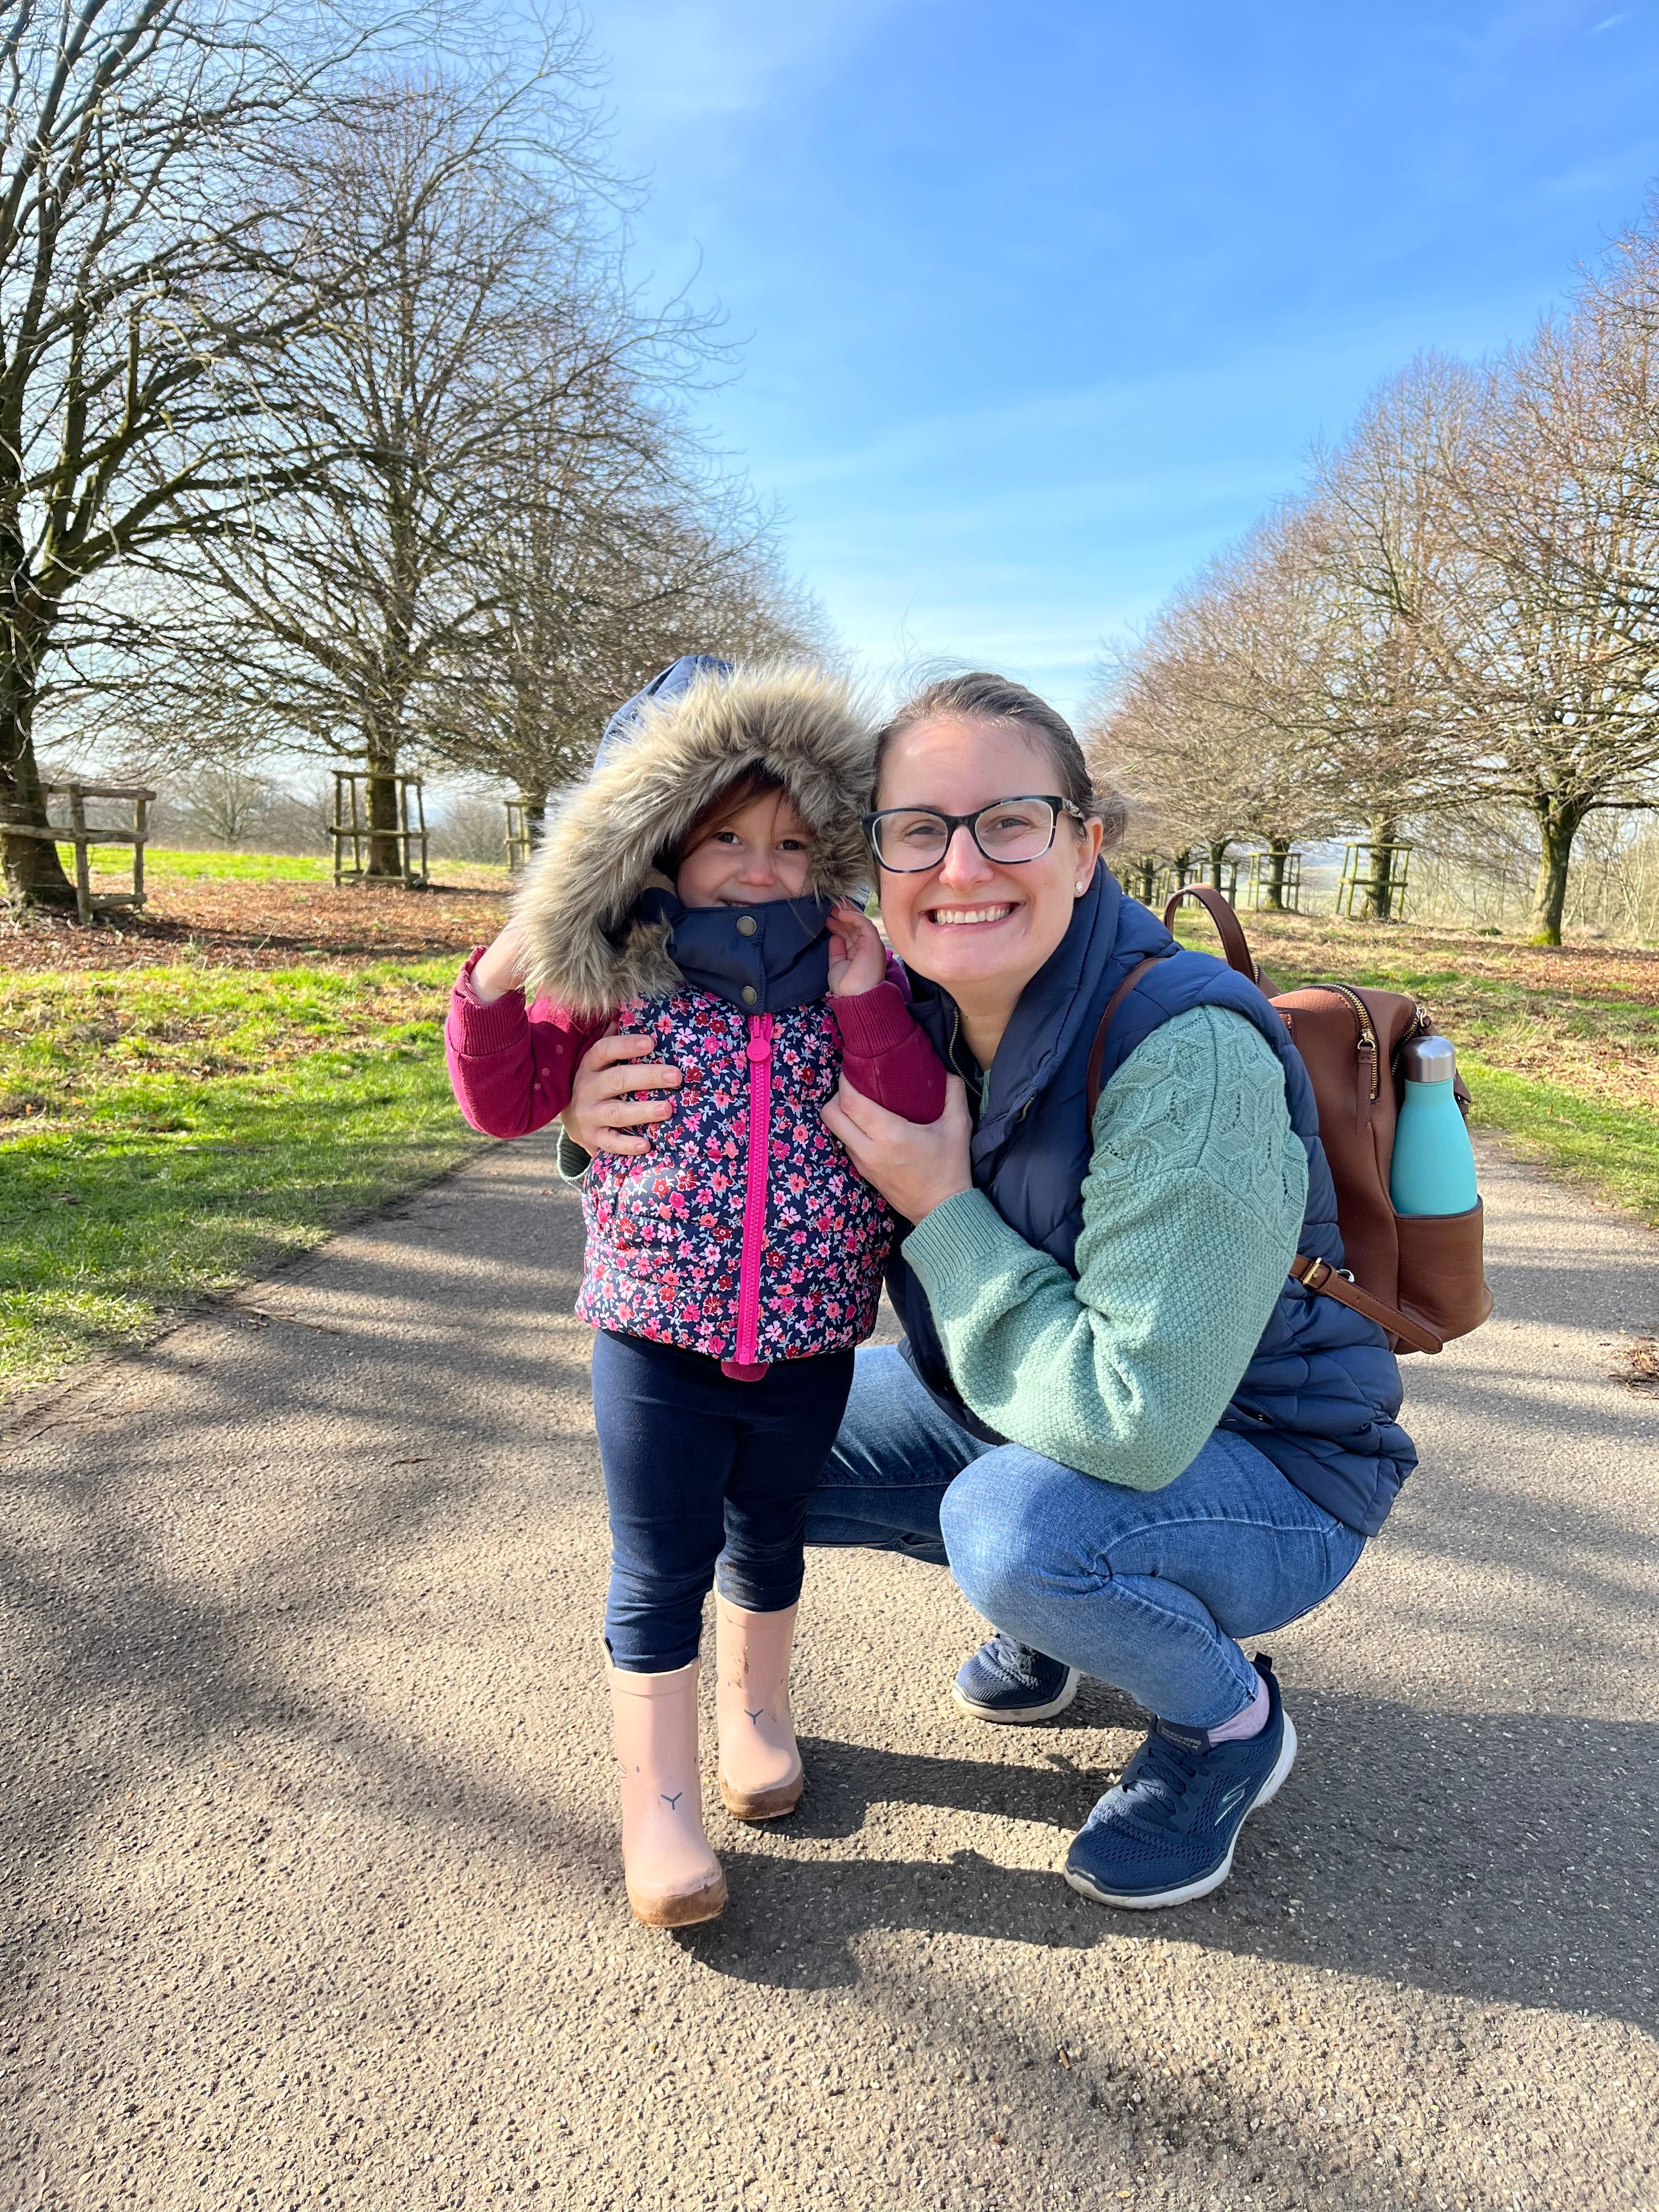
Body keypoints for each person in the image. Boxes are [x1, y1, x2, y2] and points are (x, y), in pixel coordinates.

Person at [566, 670, 1415, 1914]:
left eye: (1009, 821)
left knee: (1017, 1534)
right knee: (754, 1438)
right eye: (919, 830)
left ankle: (1225, 1722)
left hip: (1265, 1462)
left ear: (1085, 845)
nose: (962, 867)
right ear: (875, 858)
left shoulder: (1193, 1057)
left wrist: (942, 1203)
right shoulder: (905, 996)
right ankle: (1070, 1620)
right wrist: (591, 1120)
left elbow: (1136, 1415)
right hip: (1033, 1401)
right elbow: (738, 1123)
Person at [445, 660, 943, 1930]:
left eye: (789, 840)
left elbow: (916, 1110)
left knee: (771, 1534)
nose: (762, 867)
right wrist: (503, 974)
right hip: (650, 1332)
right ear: (661, 842)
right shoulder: (613, 974)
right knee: (658, 1561)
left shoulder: (853, 972)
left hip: (814, 1332)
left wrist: (869, 999)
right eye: (727, 838)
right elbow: (501, 1099)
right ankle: (656, 1801)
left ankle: (756, 1718)